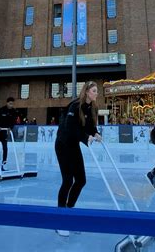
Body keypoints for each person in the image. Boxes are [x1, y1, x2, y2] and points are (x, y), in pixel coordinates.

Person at [54, 81, 102, 237]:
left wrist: (95, 133)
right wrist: (85, 137)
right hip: (63, 144)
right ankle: (60, 220)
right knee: (68, 180)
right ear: (87, 92)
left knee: (81, 180)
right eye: (94, 91)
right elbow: (70, 128)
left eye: (96, 91)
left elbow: (88, 125)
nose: (96, 93)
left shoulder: (91, 107)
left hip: (73, 145)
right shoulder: (75, 106)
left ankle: (69, 213)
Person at [0, 96, 17, 170]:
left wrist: (10, 128)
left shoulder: (13, 111)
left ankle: (4, 163)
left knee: (5, 148)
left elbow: (13, 122)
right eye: (10, 104)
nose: (11, 105)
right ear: (7, 103)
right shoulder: (1, 110)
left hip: (5, 132)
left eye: (12, 104)